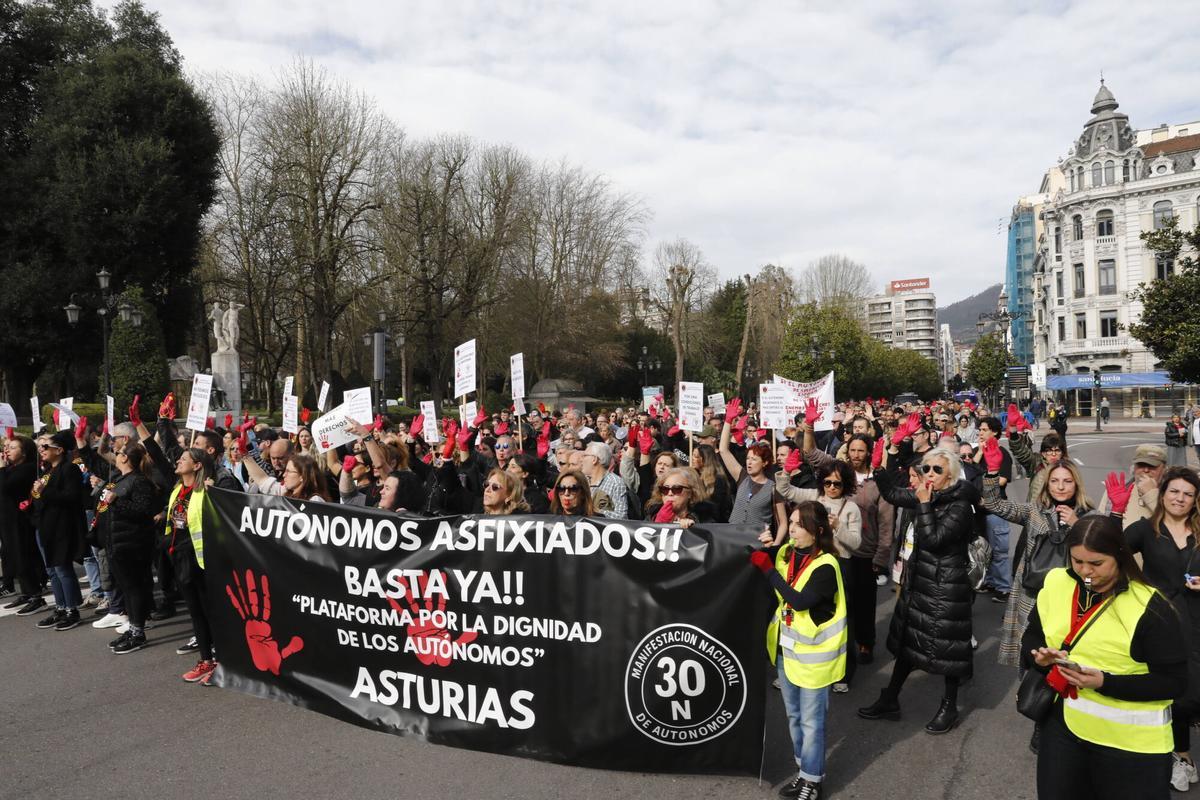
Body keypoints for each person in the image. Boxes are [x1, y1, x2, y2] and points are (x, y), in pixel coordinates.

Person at [1024, 516, 1186, 799]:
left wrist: (1104, 682)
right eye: (1077, 561)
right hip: (1064, 732)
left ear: (1121, 556)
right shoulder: (1056, 582)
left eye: (1097, 563)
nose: (1086, 572)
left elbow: (1174, 683)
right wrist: (1038, 657)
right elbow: (1032, 637)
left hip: (1132, 748)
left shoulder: (1151, 607)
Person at [859, 447, 977, 734]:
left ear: (950, 474)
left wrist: (923, 505)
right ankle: (890, 699)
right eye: (926, 469)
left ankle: (949, 707)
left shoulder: (960, 504)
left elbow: (933, 539)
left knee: (947, 651)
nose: (930, 474)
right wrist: (883, 462)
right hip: (920, 582)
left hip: (946, 587)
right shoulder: (927, 494)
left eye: (937, 470)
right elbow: (893, 494)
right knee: (907, 644)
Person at [750, 501, 846, 800]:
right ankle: (805, 773)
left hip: (815, 660)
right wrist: (766, 547)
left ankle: (813, 782)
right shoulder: (786, 552)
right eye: (790, 522)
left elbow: (800, 600)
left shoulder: (827, 565)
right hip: (786, 653)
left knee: (811, 722)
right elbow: (764, 561)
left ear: (817, 531)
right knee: (793, 716)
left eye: (799, 524)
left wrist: (768, 571)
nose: (792, 528)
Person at [1123, 467, 1200, 791]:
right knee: (1177, 695)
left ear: (1195, 500)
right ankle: (1182, 757)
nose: (1180, 498)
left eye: (1187, 493)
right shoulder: (1145, 530)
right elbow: (1111, 553)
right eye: (1174, 491)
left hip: (1198, 622)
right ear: (1163, 493)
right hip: (1162, 624)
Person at [96, 442, 162, 654]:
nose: (115, 455)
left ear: (125, 458)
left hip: (133, 544)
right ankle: (133, 626)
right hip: (116, 543)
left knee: (136, 588)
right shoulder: (118, 479)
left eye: (118, 452)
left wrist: (117, 502)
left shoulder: (140, 481)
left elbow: (144, 511)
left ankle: (138, 630)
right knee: (127, 588)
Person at [166, 448, 219, 684]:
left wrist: (215, 492)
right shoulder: (177, 490)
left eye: (184, 459)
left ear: (197, 466)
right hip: (180, 559)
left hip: (202, 561)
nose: (178, 461)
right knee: (195, 613)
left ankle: (222, 662)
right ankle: (205, 660)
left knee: (211, 612)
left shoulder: (205, 491)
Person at [31, 430, 88, 631]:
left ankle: (72, 609)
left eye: (46, 446)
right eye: (40, 447)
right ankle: (61, 607)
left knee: (62, 568)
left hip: (61, 527)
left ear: (59, 450)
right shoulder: (48, 471)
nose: (42, 450)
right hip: (45, 526)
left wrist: (44, 491)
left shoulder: (69, 469)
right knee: (52, 570)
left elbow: (71, 496)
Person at [973, 417, 1013, 604]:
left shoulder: (1002, 452)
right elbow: (969, 473)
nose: (980, 432)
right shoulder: (977, 451)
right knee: (984, 550)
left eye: (984, 429)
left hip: (996, 509)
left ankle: (1004, 587)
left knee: (999, 551)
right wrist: (979, 452)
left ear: (995, 432)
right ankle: (989, 581)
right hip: (978, 511)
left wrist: (984, 490)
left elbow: (1002, 480)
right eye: (979, 429)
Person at [644, 467, 717, 527]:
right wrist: (657, 524)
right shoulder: (651, 516)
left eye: (677, 489)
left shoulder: (704, 520)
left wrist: (693, 528)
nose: (670, 493)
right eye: (665, 489)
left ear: (690, 493)